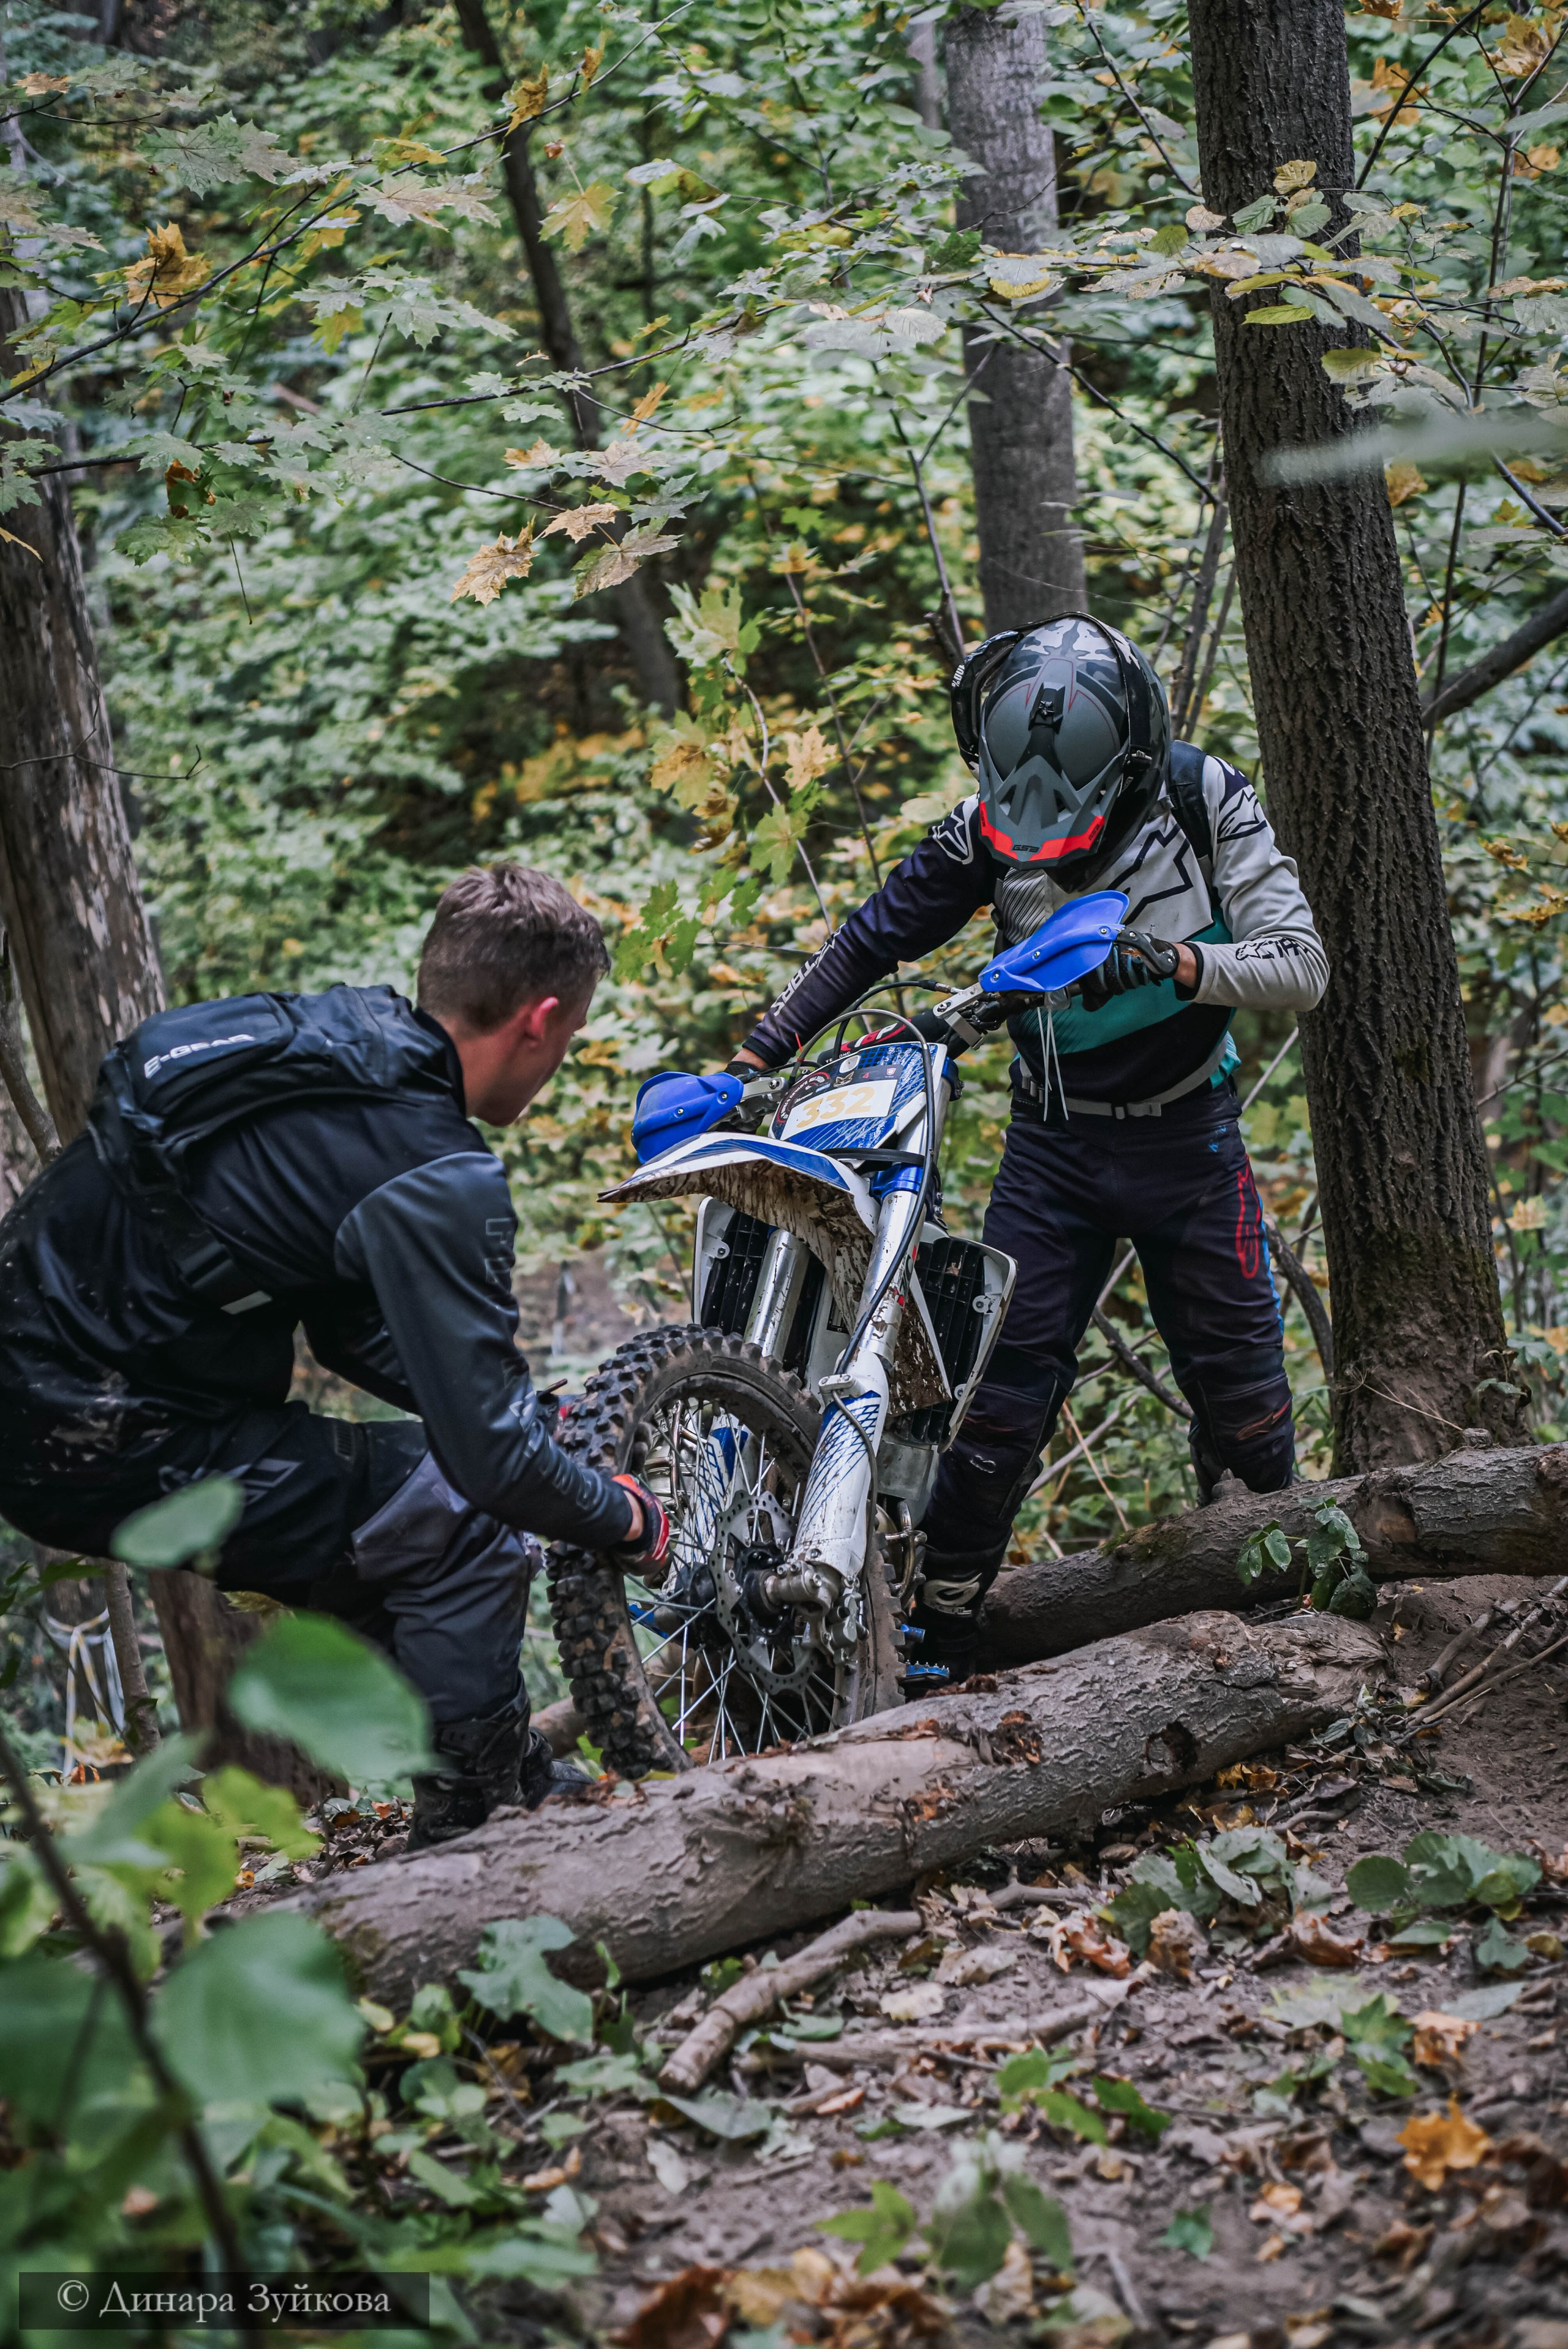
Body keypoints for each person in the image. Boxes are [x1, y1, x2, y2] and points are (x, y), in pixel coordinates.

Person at [0, 863, 666, 1846]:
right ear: (541, 1018)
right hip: (118, 1430)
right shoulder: (437, 1170)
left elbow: (345, 1325)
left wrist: (517, 1411)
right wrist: (626, 1519)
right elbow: (489, 1465)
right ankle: (474, 1833)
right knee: (459, 1514)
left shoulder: (331, 1055)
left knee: (386, 1534)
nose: (558, 1057)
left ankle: (502, 1768)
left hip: (45, 1402)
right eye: (567, 1041)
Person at [728, 615, 1328, 1689]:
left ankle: (1270, 1581)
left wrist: (1176, 964)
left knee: (1244, 1396)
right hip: (1053, 1148)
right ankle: (941, 1634)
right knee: (998, 1396)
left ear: (1127, 772)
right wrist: (756, 1055)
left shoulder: (1205, 799)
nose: (1046, 848)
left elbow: (1300, 964)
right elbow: (874, 936)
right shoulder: (983, 828)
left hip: (1192, 1138)